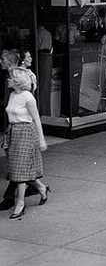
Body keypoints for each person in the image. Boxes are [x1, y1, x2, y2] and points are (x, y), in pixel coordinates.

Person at [4, 67, 49, 219]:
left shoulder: (28, 97)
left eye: (10, 77)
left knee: (20, 169)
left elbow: (36, 119)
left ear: (17, 81)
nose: (8, 79)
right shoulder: (12, 95)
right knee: (18, 169)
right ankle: (41, 188)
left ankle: (20, 203)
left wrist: (41, 139)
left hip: (26, 133)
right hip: (13, 132)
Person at [0, 51, 39, 211]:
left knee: (18, 165)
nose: (0, 61)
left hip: (22, 127)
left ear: (10, 61)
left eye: (2, 59)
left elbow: (30, 103)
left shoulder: (21, 79)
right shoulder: (8, 78)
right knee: (19, 165)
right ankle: (39, 187)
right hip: (11, 126)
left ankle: (10, 197)